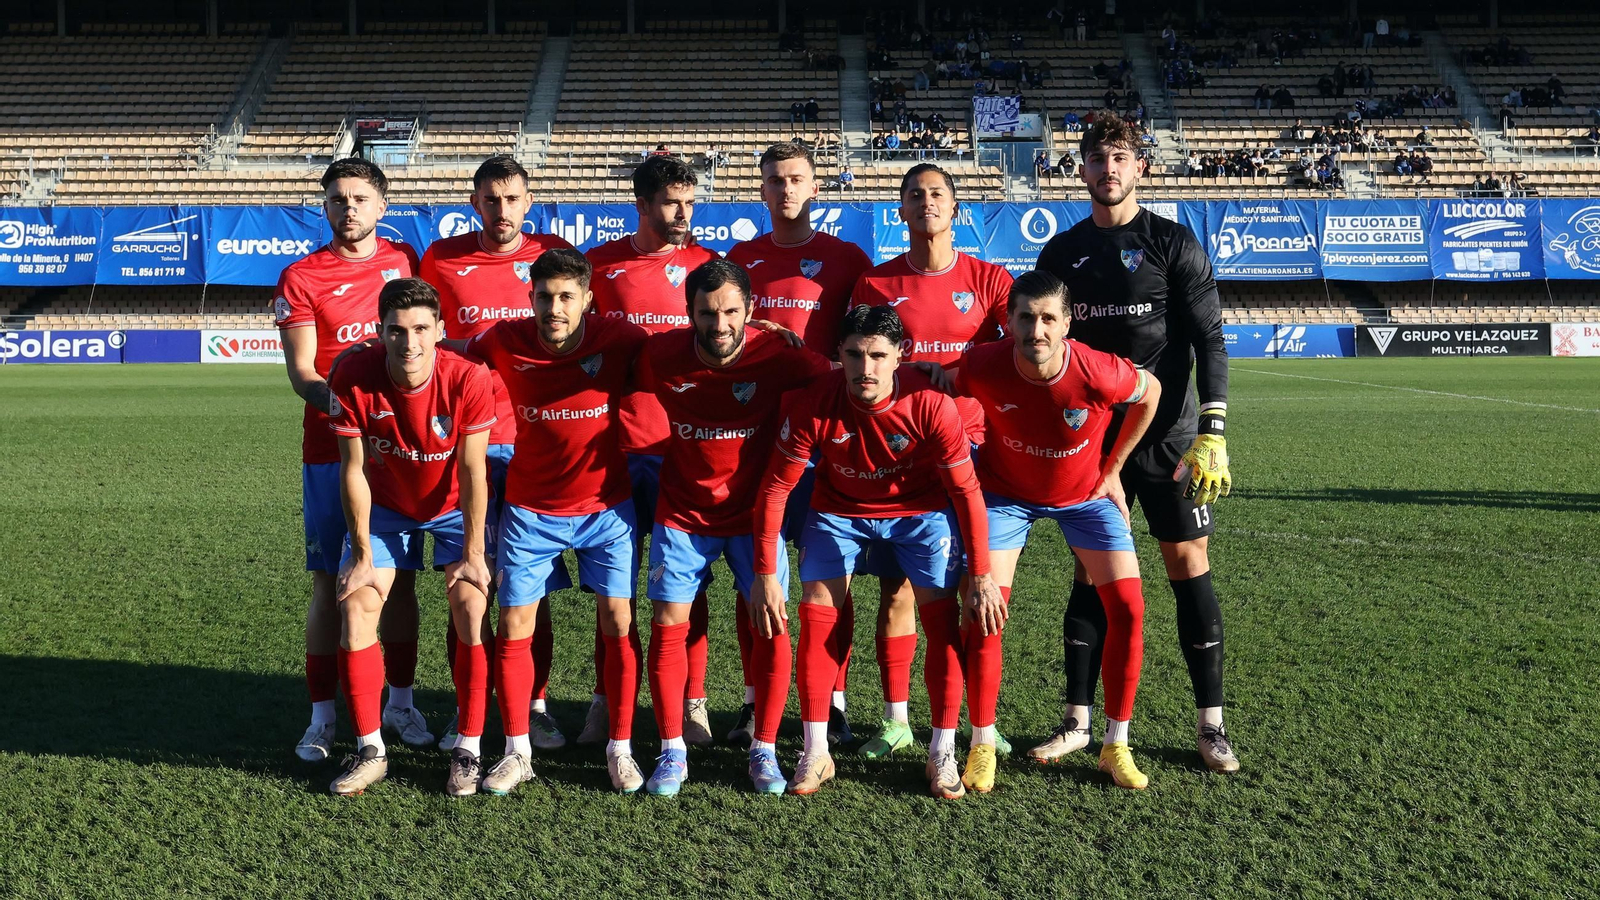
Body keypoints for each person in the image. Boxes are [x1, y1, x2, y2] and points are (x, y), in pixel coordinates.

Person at [1033, 111, 1239, 773]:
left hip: (1172, 441)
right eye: (1096, 158)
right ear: (1082, 170)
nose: (1108, 168)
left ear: (1140, 167)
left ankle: (1211, 726)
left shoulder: (1174, 244)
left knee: (1187, 563)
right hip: (1092, 448)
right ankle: (1076, 722)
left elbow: (1209, 340)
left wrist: (1213, 432)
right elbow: (1043, 350)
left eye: (1120, 157)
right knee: (1090, 575)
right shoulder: (1062, 255)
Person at [749, 304, 1000, 798]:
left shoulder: (931, 404)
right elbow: (776, 488)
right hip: (837, 512)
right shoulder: (815, 402)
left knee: (941, 624)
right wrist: (765, 573)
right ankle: (815, 752)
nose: (866, 368)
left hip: (920, 514)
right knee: (816, 617)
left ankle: (942, 752)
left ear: (901, 355)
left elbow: (966, 493)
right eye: (854, 355)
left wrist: (983, 573)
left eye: (878, 356)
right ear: (839, 354)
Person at [941, 270, 1163, 790]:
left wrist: (1113, 470)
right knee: (985, 609)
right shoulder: (985, 364)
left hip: (1085, 498)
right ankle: (982, 742)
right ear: (1009, 322)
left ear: (1066, 323)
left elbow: (1150, 393)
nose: (1035, 330)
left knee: (1129, 608)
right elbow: (938, 380)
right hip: (1004, 496)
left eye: (1047, 319)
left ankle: (1115, 744)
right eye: (1024, 318)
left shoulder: (1099, 371)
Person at [636, 260, 833, 795]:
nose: (718, 324)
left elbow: (847, 378)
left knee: (770, 620)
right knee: (668, 622)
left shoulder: (780, 357)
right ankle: (673, 749)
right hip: (682, 513)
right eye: (706, 312)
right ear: (689, 313)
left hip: (755, 518)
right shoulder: (661, 355)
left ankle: (764, 748)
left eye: (729, 311)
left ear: (750, 310)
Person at [459, 248, 650, 794]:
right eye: (545, 296)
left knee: (618, 622)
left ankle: (620, 746)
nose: (555, 307)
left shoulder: (622, 340)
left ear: (588, 299)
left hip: (605, 511)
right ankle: (517, 750)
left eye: (567, 296)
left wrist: (759, 333)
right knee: (516, 626)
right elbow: (449, 355)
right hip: (529, 510)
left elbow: (687, 354)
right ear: (531, 298)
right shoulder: (503, 340)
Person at [848, 164, 1013, 760]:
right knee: (898, 590)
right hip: (901, 454)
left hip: (970, 453)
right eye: (914, 195)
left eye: (937, 194)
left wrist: (961, 373)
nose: (926, 204)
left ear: (956, 208)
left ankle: (980, 727)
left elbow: (1016, 351)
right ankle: (897, 719)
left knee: (978, 588)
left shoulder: (990, 279)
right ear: (900, 211)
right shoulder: (874, 283)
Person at [418, 154, 575, 753]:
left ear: (528, 202)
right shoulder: (441, 259)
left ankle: (533, 706)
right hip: (466, 443)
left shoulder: (553, 255)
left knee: (527, 587)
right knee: (467, 584)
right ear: (474, 202)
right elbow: (429, 338)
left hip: (539, 443)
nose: (501, 210)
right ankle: (470, 709)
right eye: (490, 199)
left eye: (512, 199)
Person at [275, 158, 428, 764]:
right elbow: (303, 373)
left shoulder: (404, 263)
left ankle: (402, 701)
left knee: (404, 582)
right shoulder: (302, 276)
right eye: (338, 199)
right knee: (331, 585)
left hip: (404, 448)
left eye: (361, 198)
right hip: (331, 449)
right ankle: (322, 716)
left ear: (382, 206)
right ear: (326, 206)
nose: (349, 208)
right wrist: (348, 405)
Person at [725, 143, 875, 746]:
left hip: (827, 439)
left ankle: (832, 701)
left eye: (796, 179)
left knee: (827, 578)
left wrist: (798, 351)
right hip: (755, 437)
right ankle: (753, 697)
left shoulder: (846, 259)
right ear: (760, 192)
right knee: (752, 574)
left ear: (815, 188)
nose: (785, 189)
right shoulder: (740, 258)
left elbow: (867, 349)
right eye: (774, 181)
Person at [325, 279, 495, 797]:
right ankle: (371, 747)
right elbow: (352, 470)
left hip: (450, 509)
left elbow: (472, 471)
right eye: (396, 331)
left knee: (470, 605)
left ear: (441, 331)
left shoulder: (468, 377)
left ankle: (468, 747)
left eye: (421, 328)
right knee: (355, 607)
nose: (409, 342)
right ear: (379, 332)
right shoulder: (353, 375)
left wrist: (472, 552)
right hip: (387, 509)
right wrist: (359, 553)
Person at [586, 155, 720, 748]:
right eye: (671, 202)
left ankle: (694, 702)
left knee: (688, 586)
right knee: (613, 590)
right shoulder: (601, 268)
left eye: (690, 201)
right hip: (614, 448)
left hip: (681, 450)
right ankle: (604, 701)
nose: (684, 213)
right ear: (641, 205)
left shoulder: (709, 269)